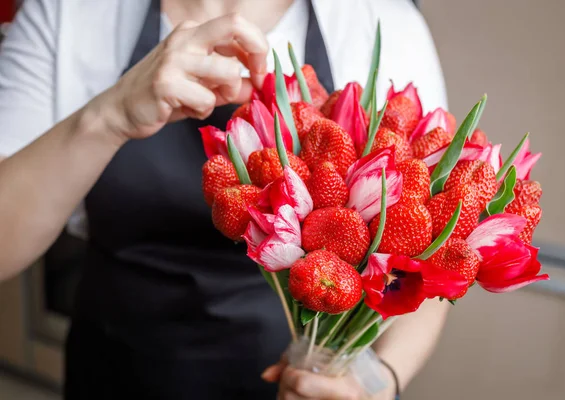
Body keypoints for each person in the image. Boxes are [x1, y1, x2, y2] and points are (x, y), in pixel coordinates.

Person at [0, 0, 450, 398]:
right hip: (112, 369)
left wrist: (377, 382)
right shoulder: (66, 12)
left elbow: (424, 256)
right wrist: (109, 114)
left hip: (298, 380)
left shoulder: (381, 22)